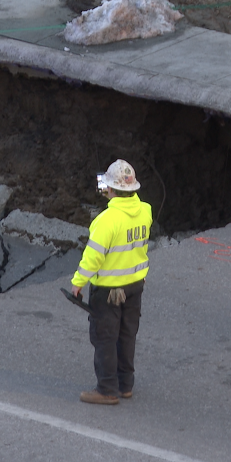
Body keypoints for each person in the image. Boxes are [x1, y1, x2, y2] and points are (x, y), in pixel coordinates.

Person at [69, 159, 152, 405]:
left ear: (110, 189)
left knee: (105, 337)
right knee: (127, 335)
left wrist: (78, 282)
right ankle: (125, 385)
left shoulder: (106, 220)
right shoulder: (145, 210)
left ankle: (106, 389)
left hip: (108, 291)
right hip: (135, 286)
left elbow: (93, 256)